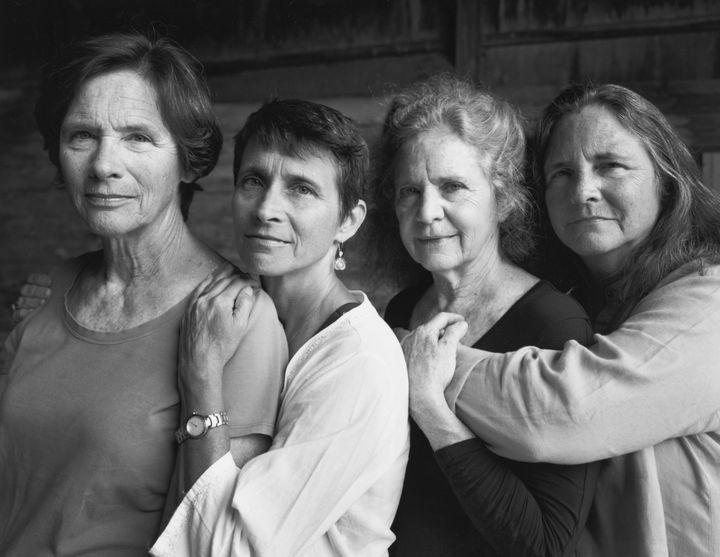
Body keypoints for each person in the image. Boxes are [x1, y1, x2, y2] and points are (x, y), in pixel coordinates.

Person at [400, 83, 720, 556]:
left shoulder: (708, 303)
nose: (584, 190)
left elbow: (570, 407)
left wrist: (404, 355)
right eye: (562, 173)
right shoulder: (590, 299)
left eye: (610, 166)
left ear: (666, 178)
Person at [0, 33, 286, 556]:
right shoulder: (43, 294)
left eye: (137, 137)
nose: (103, 164)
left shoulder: (237, 318)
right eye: (82, 135)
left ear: (190, 161)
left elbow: (215, 535)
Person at [148, 99, 409, 556]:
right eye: (254, 180)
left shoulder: (359, 361)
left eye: (301, 189)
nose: (266, 208)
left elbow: (230, 550)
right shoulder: (233, 312)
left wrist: (202, 374)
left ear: (348, 221)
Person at [373, 74, 599, 556]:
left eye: (452, 186)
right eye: (409, 191)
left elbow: (545, 543)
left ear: (504, 198)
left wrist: (430, 408)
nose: (427, 211)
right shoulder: (401, 311)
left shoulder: (555, 324)